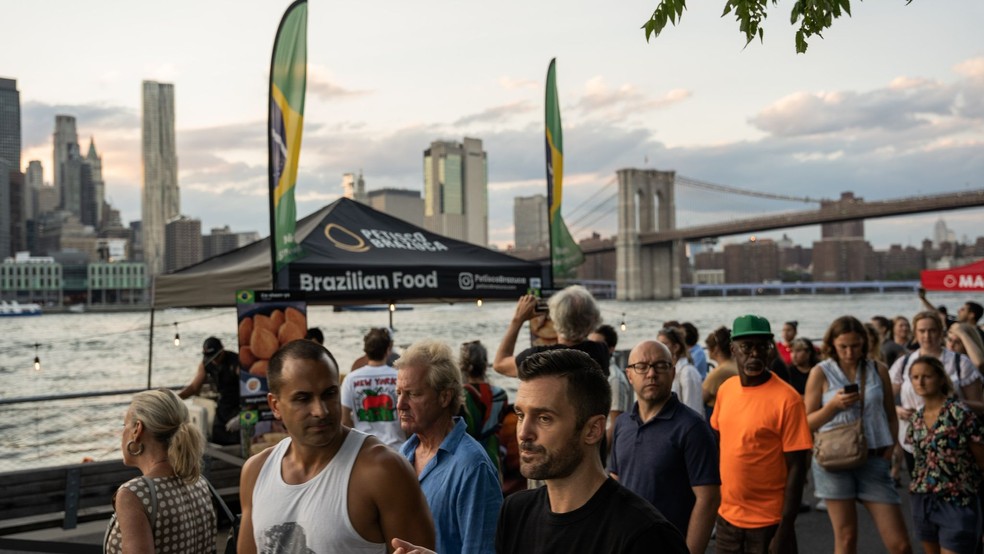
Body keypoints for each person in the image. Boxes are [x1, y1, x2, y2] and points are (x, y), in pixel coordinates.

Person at [392, 349, 687, 554]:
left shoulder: (644, 536)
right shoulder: (515, 512)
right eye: (521, 415)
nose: (524, 432)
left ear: (593, 430)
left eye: (544, 418)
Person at [238, 339, 434, 553]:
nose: (320, 411)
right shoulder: (256, 472)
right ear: (275, 405)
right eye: (302, 398)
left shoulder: (383, 470)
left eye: (329, 394)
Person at [804, 316, 911, 554]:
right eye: (843, 347)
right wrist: (833, 406)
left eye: (855, 345)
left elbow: (890, 415)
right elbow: (806, 422)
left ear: (864, 343)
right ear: (832, 344)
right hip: (833, 461)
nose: (849, 352)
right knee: (846, 537)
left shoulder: (878, 369)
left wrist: (891, 448)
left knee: (900, 544)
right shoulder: (820, 372)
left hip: (874, 458)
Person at [711, 314, 813, 554]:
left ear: (770, 350)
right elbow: (719, 446)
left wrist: (784, 531)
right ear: (733, 349)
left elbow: (798, 468)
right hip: (727, 521)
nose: (754, 354)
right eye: (747, 347)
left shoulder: (788, 400)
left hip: (770, 524)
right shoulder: (726, 390)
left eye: (762, 346)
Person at [609, 340, 720, 553]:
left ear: (672, 372)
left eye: (660, 365)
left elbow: (708, 499)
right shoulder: (623, 423)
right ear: (629, 375)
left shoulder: (692, 427)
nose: (651, 373)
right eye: (641, 366)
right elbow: (616, 481)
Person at [396, 339, 502, 554]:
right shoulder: (403, 454)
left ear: (444, 397)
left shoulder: (473, 468)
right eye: (398, 393)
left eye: (413, 394)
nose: (400, 404)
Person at [105, 388, 216, 554]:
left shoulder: (134, 495)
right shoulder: (198, 482)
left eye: (124, 425)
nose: (122, 433)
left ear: (137, 430)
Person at [905, 355, 984, 554]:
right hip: (923, 500)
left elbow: (981, 458)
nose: (920, 382)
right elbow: (919, 461)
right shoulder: (916, 418)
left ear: (940, 379)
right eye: (915, 377)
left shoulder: (959, 413)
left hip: (958, 499)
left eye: (927, 376)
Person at [889, 310, 983, 473]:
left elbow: (980, 407)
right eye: (922, 331)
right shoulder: (904, 363)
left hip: (954, 442)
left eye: (932, 330)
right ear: (915, 333)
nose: (927, 336)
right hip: (914, 441)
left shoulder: (960, 363)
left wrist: (952, 404)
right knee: (919, 491)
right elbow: (885, 399)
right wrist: (897, 410)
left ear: (941, 332)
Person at [492, 285, 609, 378]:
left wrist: (518, 320)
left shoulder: (538, 358)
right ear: (594, 318)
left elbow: (499, 364)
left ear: (554, 319)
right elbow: (580, 338)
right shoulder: (601, 351)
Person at [341, 327, 404, 449]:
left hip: (364, 449)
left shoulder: (350, 379)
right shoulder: (399, 377)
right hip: (397, 448)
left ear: (366, 351)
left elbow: (344, 420)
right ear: (388, 349)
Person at [459, 339, 509, 475]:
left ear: (461, 366)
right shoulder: (501, 395)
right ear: (486, 365)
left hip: (464, 460)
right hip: (493, 458)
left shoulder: (459, 397)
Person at [178, 337, 240, 445]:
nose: (214, 361)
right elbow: (194, 387)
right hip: (222, 404)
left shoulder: (236, 362)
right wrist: (176, 398)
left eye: (216, 357)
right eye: (211, 358)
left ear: (222, 351)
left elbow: (249, 390)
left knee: (236, 438)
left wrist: (242, 416)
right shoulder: (206, 363)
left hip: (238, 404)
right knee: (217, 436)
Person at [588, 324, 634, 452]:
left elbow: (615, 424)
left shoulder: (614, 379)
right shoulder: (595, 373)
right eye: (590, 344)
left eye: (597, 344)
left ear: (611, 349)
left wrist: (599, 456)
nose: (592, 348)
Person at [657, 326, 705, 418]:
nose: (659, 348)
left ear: (676, 347)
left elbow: (693, 410)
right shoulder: (667, 372)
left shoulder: (688, 372)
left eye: (663, 344)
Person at [702, 326, 737, 418]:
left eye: (709, 348)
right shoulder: (735, 364)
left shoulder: (720, 372)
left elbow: (701, 398)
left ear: (716, 349)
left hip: (716, 415)